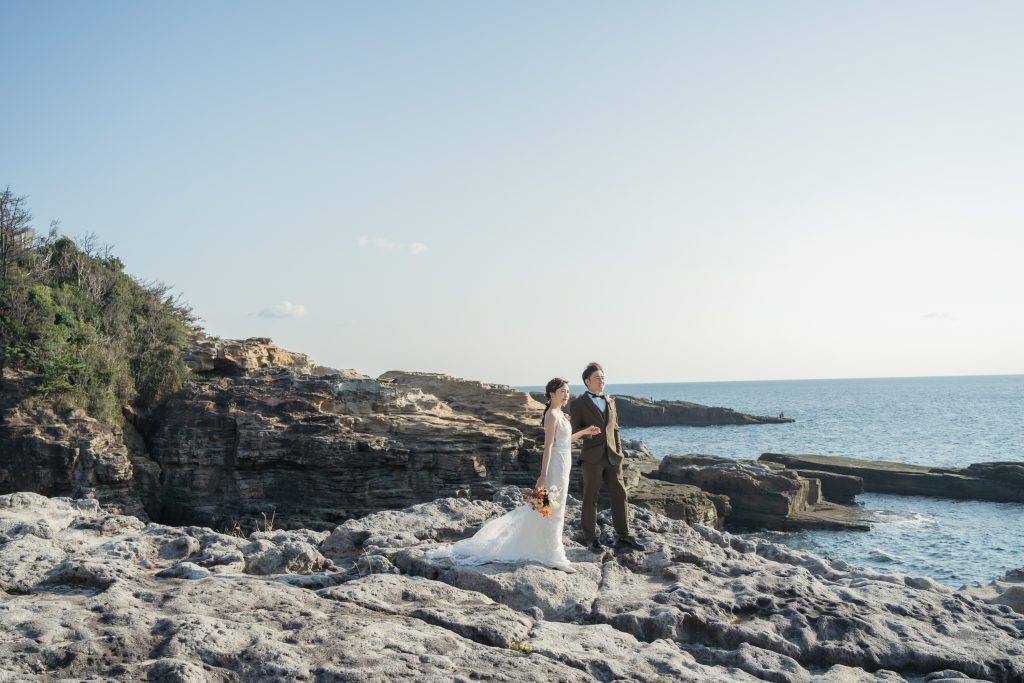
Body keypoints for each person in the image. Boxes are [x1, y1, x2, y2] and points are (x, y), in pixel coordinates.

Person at [426, 377, 600, 573]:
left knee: (552, 510)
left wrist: (585, 431)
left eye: (567, 392)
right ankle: (554, 555)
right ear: (551, 394)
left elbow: (565, 440)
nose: (566, 395)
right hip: (555, 467)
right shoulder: (551, 415)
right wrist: (543, 476)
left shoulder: (560, 414)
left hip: (564, 465)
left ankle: (548, 550)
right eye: (562, 392)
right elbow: (548, 447)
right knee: (551, 510)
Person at [569, 362, 645, 552]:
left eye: (603, 377)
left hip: (613, 457)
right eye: (597, 378)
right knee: (590, 497)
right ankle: (590, 538)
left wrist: (619, 453)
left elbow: (615, 430)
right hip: (592, 458)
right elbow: (574, 431)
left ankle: (624, 536)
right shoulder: (578, 404)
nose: (602, 381)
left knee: (620, 494)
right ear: (587, 381)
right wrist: (588, 432)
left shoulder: (611, 401)